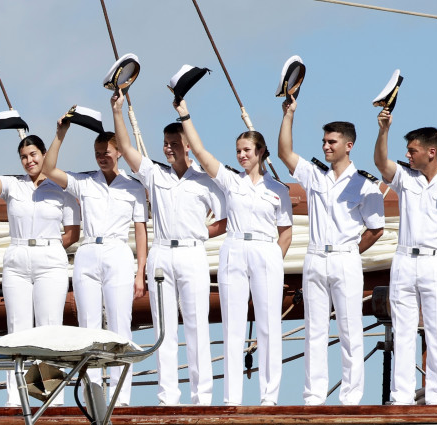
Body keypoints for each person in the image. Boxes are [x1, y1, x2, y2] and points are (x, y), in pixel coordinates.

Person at [110, 89, 227, 406]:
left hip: (192, 253)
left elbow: (227, 219)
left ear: (187, 147)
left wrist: (202, 233)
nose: (168, 149)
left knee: (196, 326)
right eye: (166, 144)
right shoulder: (154, 174)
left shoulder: (205, 181)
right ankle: (168, 397)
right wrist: (118, 112)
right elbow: (125, 148)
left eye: (174, 144)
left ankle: (201, 398)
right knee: (163, 330)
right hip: (161, 254)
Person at [173, 99, 292, 406]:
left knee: (268, 326)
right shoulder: (229, 180)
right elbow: (200, 152)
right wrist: (184, 114)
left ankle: (269, 397)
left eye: (246, 151)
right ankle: (232, 398)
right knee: (233, 326)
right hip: (235, 249)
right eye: (238, 150)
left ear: (260, 152)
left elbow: (286, 232)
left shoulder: (278, 190)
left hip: (266, 250)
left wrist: (274, 262)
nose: (240, 156)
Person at [278, 96, 385, 406]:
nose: (326, 146)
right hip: (314, 257)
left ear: (348, 145)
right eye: (324, 141)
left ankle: (351, 397)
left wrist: (351, 251)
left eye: (332, 142)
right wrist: (289, 113)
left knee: (350, 329)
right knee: (314, 330)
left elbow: (376, 229)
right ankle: (313, 396)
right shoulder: (314, 175)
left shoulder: (366, 185)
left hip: (345, 258)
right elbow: (285, 152)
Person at [373, 107, 437, 405]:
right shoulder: (405, 178)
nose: (408, 156)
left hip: (436, 261)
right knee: (403, 329)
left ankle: (435, 397)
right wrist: (384, 130)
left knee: (436, 330)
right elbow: (381, 162)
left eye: (412, 151)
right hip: (404, 259)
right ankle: (402, 396)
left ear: (431, 152)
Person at [42, 119, 148, 406]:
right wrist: (60, 134)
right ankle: (90, 394)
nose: (102, 157)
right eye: (97, 152)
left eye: (107, 152)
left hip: (117, 252)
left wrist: (140, 272)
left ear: (119, 153)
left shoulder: (134, 188)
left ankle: (120, 396)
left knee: (119, 324)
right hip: (88, 250)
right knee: (87, 327)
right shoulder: (85, 181)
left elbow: (140, 231)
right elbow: (49, 169)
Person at [0, 128, 80, 407]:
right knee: (17, 329)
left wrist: (48, 246)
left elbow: (72, 233)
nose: (28, 160)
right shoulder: (14, 185)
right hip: (18, 257)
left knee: (49, 327)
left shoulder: (63, 190)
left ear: (44, 155)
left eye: (33, 154)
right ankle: (16, 397)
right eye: (23, 156)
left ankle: (51, 397)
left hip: (50, 257)